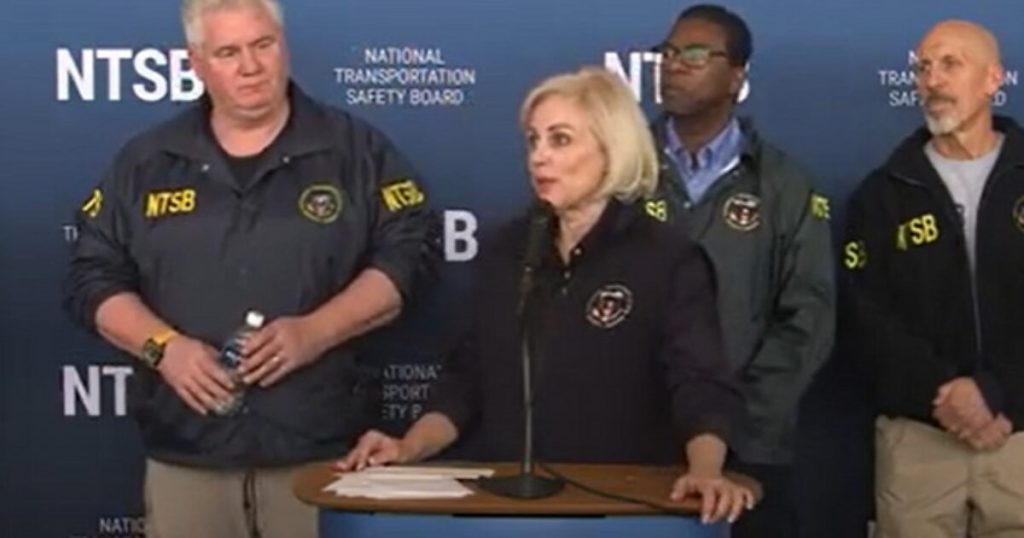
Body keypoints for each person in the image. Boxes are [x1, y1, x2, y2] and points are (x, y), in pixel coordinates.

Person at [63, 0, 438, 536]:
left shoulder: (357, 151)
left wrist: (316, 332)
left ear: (284, 46)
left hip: (322, 454)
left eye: (264, 45)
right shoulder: (146, 162)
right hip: (188, 453)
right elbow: (92, 276)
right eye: (228, 52)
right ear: (195, 63)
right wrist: (164, 348)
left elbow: (409, 258)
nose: (251, 66)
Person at [337, 67, 755, 524]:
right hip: (510, 508)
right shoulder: (506, 251)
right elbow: (467, 379)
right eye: (533, 141)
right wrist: (408, 447)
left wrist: (706, 471)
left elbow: (700, 384)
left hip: (620, 511)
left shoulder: (666, 259)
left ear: (611, 148)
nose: (539, 157)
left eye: (560, 140)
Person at [645, 5, 836, 536]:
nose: (674, 65)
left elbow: (807, 320)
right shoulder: (620, 171)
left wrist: (729, 426)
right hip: (633, 444)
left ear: (736, 76)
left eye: (695, 54)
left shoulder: (785, 185)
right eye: (668, 52)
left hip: (749, 451)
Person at [842, 20, 1024, 537]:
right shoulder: (883, 193)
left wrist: (997, 394)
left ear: (993, 79)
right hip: (919, 442)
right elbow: (865, 317)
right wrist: (946, 397)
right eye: (923, 67)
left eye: (950, 64)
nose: (932, 80)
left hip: (1019, 436)